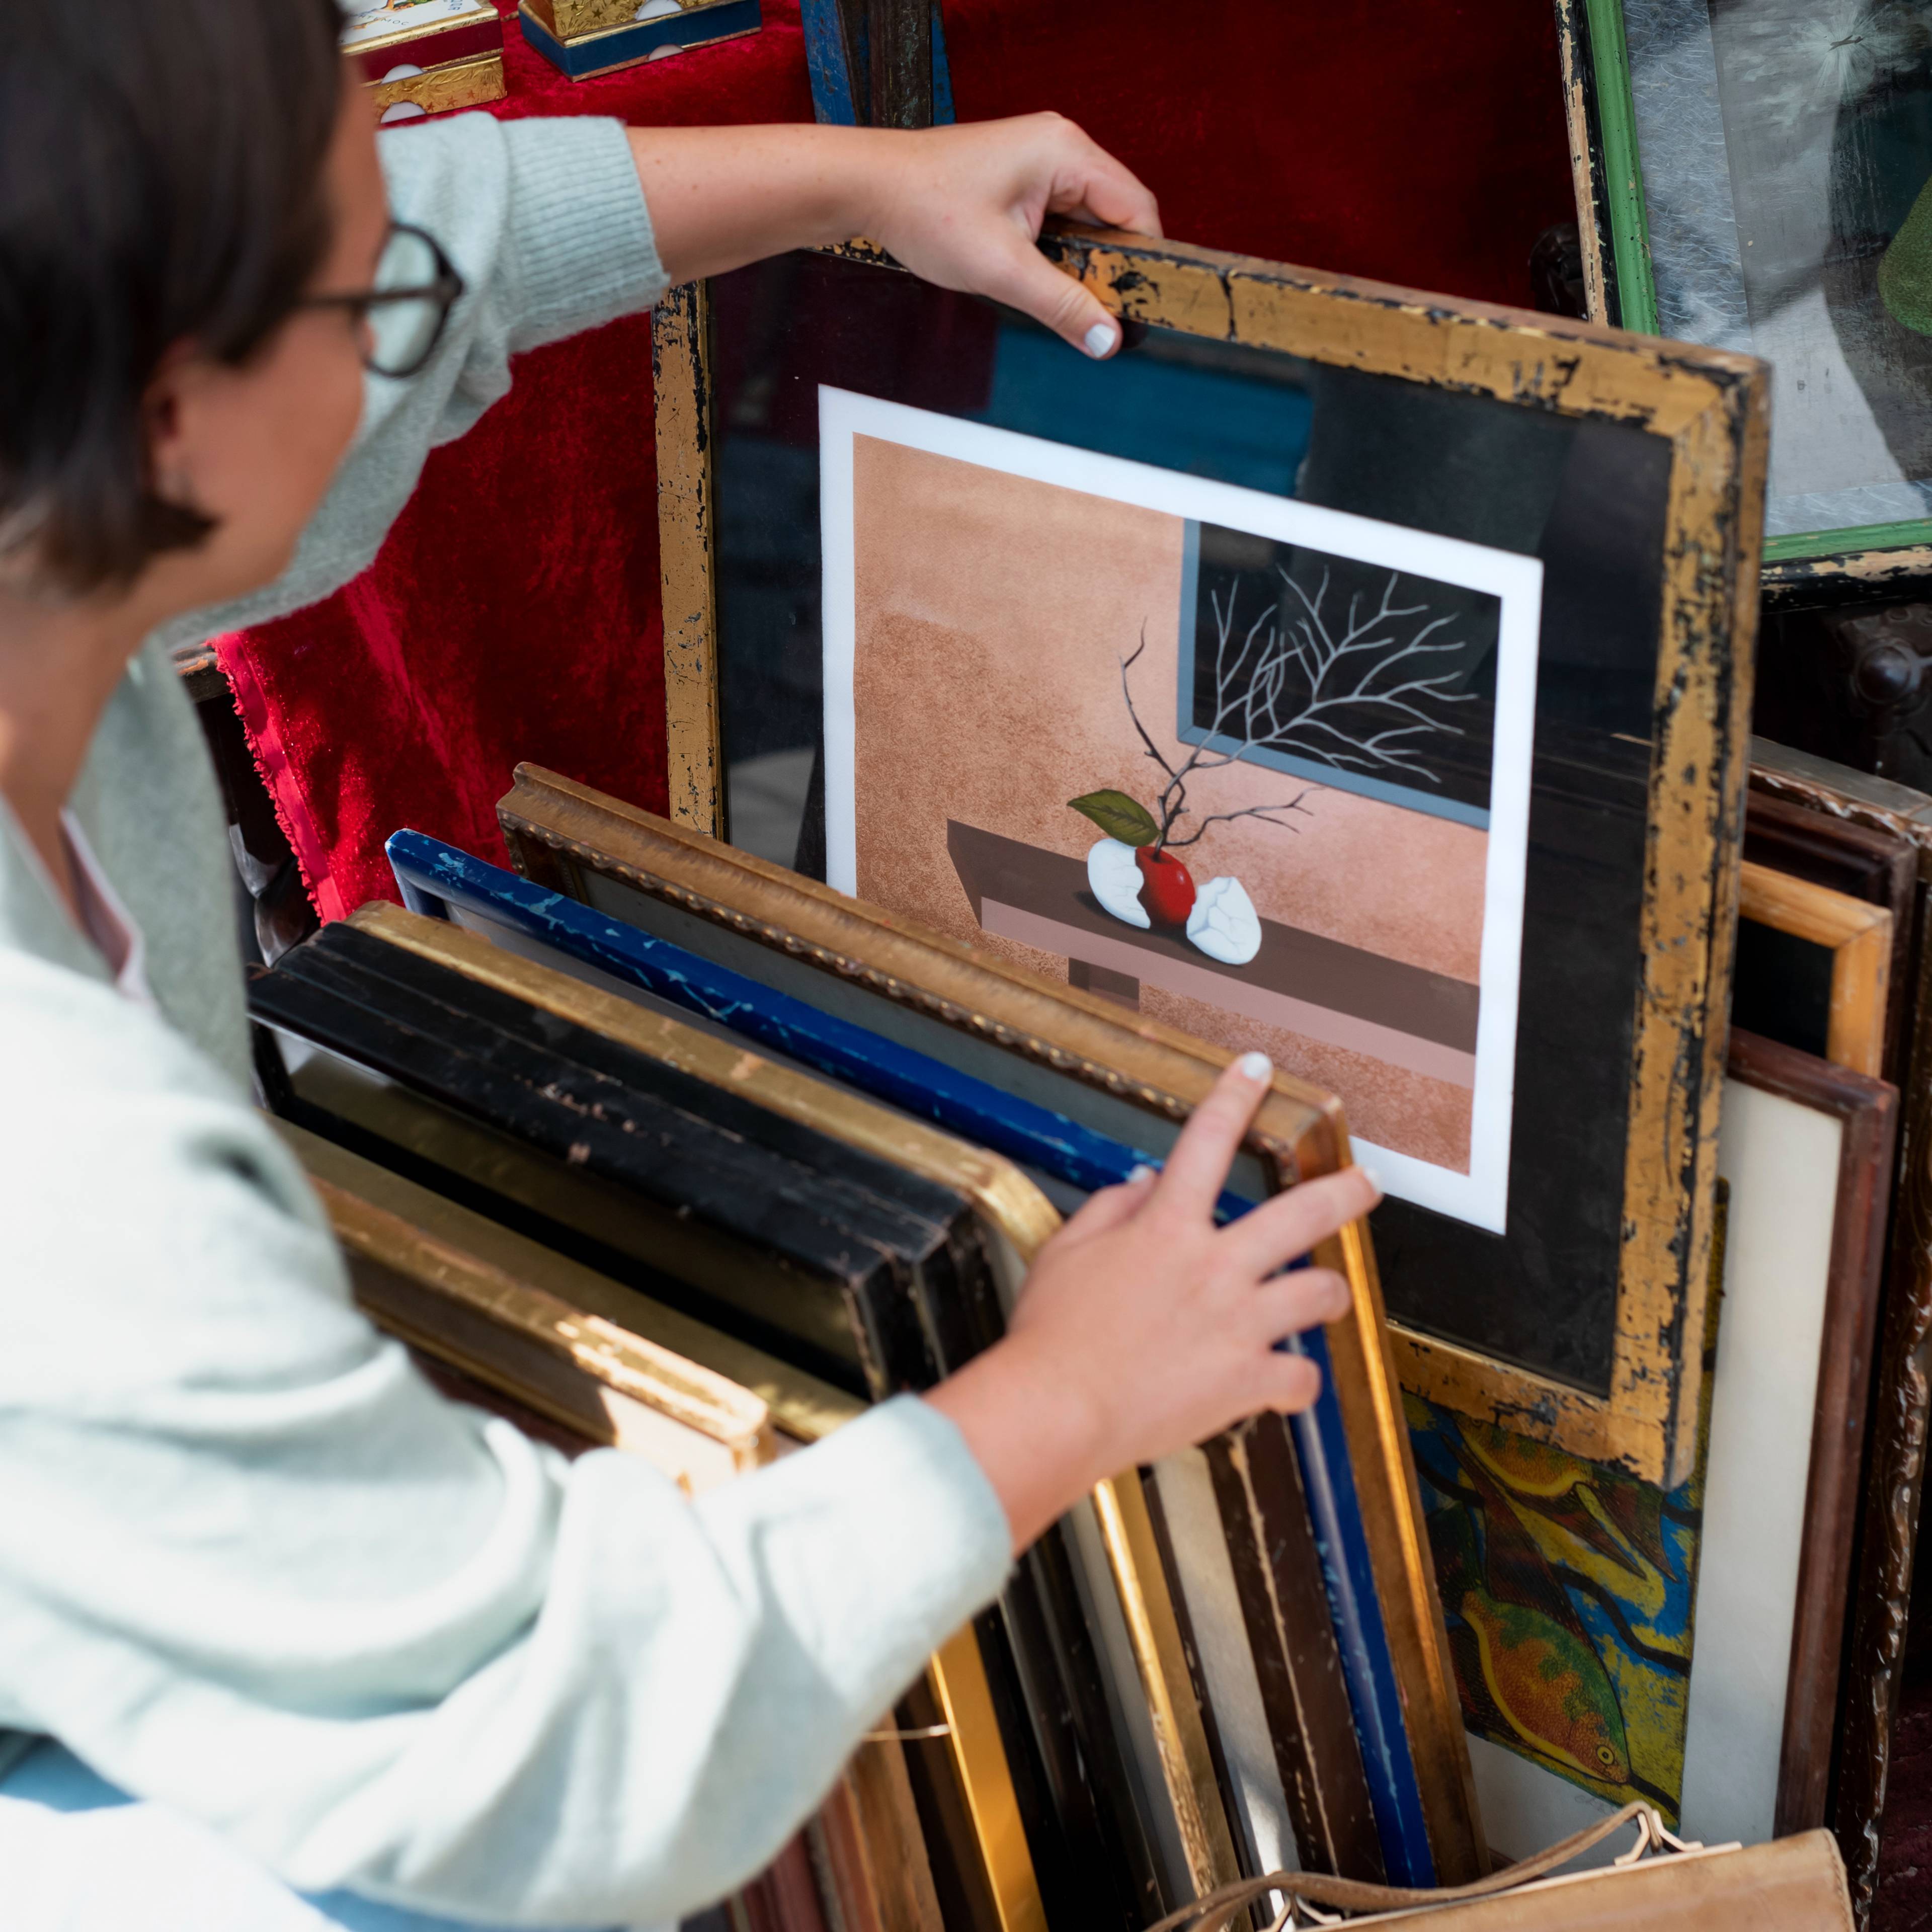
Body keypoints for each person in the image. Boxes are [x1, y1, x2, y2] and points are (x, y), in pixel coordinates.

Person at [0, 2, 1380, 1926]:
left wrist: (857, 181)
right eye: (365, 287)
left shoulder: (47, 517)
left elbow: (451, 219)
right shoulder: (58, 1172)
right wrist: (1059, 1395)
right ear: (173, 416)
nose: (424, 283)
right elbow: (542, 1750)